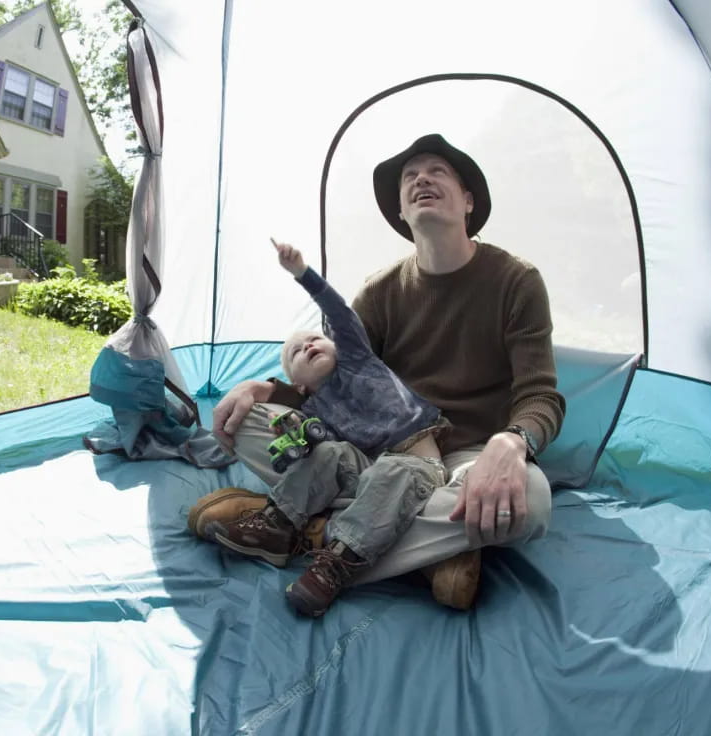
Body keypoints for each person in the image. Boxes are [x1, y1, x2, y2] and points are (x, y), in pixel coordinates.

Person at [193, 133, 566, 611]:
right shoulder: (379, 292)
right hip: (377, 456)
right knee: (247, 420)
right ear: (402, 211)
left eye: (437, 171)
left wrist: (512, 443)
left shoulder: (516, 281)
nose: (421, 179)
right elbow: (337, 383)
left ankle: (308, 532)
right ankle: (431, 556)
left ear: (468, 200)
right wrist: (263, 387)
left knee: (530, 502)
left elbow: (542, 395)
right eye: (410, 177)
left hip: (467, 460)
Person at [208, 239, 450, 617]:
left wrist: (302, 273)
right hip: (370, 473)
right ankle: (278, 524)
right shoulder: (313, 406)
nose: (306, 347)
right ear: (298, 384)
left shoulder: (357, 359)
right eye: (295, 352)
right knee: (328, 451)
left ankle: (336, 563)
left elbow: (339, 314)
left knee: (393, 470)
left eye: (313, 340)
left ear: (335, 345)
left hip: (419, 467)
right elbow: (315, 450)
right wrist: (290, 428)